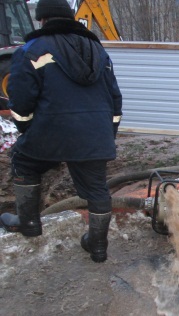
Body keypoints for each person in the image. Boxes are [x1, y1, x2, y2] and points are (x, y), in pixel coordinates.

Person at [0, 0, 122, 263]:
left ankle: (29, 223)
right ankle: (98, 246)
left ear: (42, 20)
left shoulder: (31, 50)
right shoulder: (98, 51)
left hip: (50, 133)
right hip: (95, 135)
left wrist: (26, 131)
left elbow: (21, 101)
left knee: (24, 161)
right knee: (98, 189)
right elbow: (114, 98)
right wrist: (106, 134)